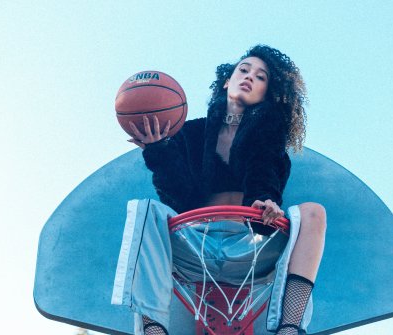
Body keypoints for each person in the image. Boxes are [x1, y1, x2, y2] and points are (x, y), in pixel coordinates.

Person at [124, 45, 326, 335]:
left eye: (261, 77)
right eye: (243, 70)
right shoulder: (190, 133)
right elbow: (179, 197)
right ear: (226, 81)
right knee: (146, 211)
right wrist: (158, 152)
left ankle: (290, 326)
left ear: (267, 93)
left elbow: (265, 179)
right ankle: (153, 326)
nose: (249, 77)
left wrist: (268, 204)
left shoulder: (269, 140)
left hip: (251, 249)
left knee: (314, 213)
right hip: (195, 248)